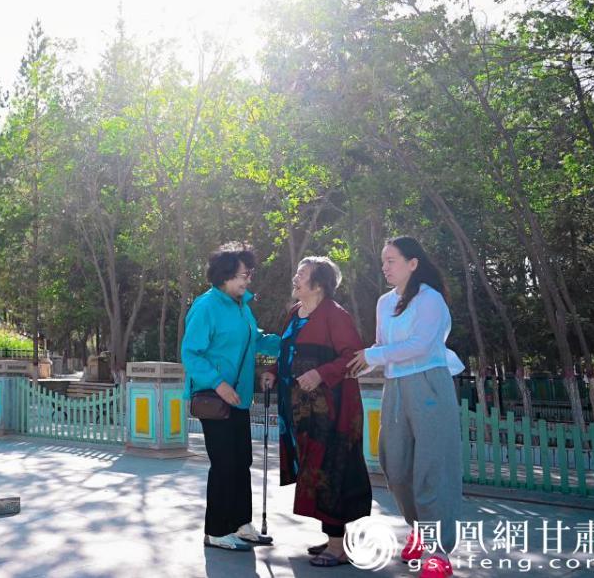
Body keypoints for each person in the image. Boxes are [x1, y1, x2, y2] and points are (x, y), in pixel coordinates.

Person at [347, 237, 465, 578]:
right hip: (395, 386)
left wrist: (374, 356)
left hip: (429, 384)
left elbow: (421, 345)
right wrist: (360, 362)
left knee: (432, 468)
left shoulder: (431, 300)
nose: (384, 267)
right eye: (383, 261)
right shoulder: (384, 302)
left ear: (413, 263)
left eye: (391, 260)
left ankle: (438, 552)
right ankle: (419, 528)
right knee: (395, 466)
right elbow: (384, 346)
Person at [260, 257, 372, 567]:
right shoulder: (295, 313)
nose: (295, 277)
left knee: (333, 467)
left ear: (319, 284)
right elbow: (282, 350)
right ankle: (331, 538)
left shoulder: (336, 316)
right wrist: (271, 371)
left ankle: (338, 547)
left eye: (302, 274)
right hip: (301, 412)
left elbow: (353, 357)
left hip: (332, 410)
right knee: (316, 468)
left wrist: (321, 373)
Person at [181, 243, 281, 551]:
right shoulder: (206, 306)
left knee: (241, 461)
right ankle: (216, 530)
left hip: (238, 399)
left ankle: (240, 524)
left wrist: (285, 342)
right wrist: (218, 383)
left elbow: (254, 338)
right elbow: (191, 353)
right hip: (215, 398)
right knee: (224, 463)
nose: (248, 280)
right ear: (224, 276)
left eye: (249, 273)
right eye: (243, 275)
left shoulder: (242, 306)